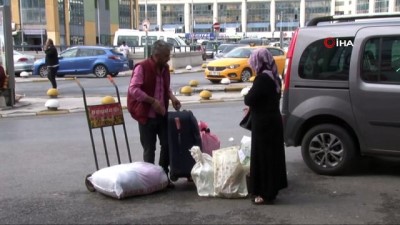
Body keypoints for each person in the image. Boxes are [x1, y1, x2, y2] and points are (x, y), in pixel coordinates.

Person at [127, 40, 181, 188]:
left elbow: (165, 88)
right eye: (166, 56)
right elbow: (133, 89)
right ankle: (150, 182)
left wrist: (172, 97)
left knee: (167, 145)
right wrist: (152, 101)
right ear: (156, 56)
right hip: (147, 116)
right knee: (149, 149)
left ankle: (163, 177)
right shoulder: (142, 68)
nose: (168, 58)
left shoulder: (164, 68)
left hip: (162, 115)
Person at [244, 48, 288, 205]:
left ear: (259, 62)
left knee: (263, 158)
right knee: (272, 157)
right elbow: (268, 99)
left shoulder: (262, 79)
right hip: (273, 122)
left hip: (263, 125)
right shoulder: (275, 77)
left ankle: (264, 193)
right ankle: (271, 190)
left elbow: (249, 98)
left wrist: (248, 97)